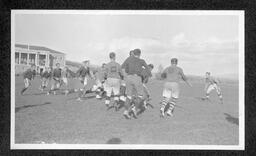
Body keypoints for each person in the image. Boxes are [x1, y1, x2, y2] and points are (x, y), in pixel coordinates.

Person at [121, 48, 152, 119]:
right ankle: (135, 109)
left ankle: (126, 111)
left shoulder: (128, 59)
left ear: (133, 54)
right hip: (137, 78)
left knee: (128, 96)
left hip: (128, 78)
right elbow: (147, 69)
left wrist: (126, 74)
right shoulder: (141, 61)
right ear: (139, 54)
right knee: (140, 96)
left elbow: (122, 67)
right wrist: (149, 75)